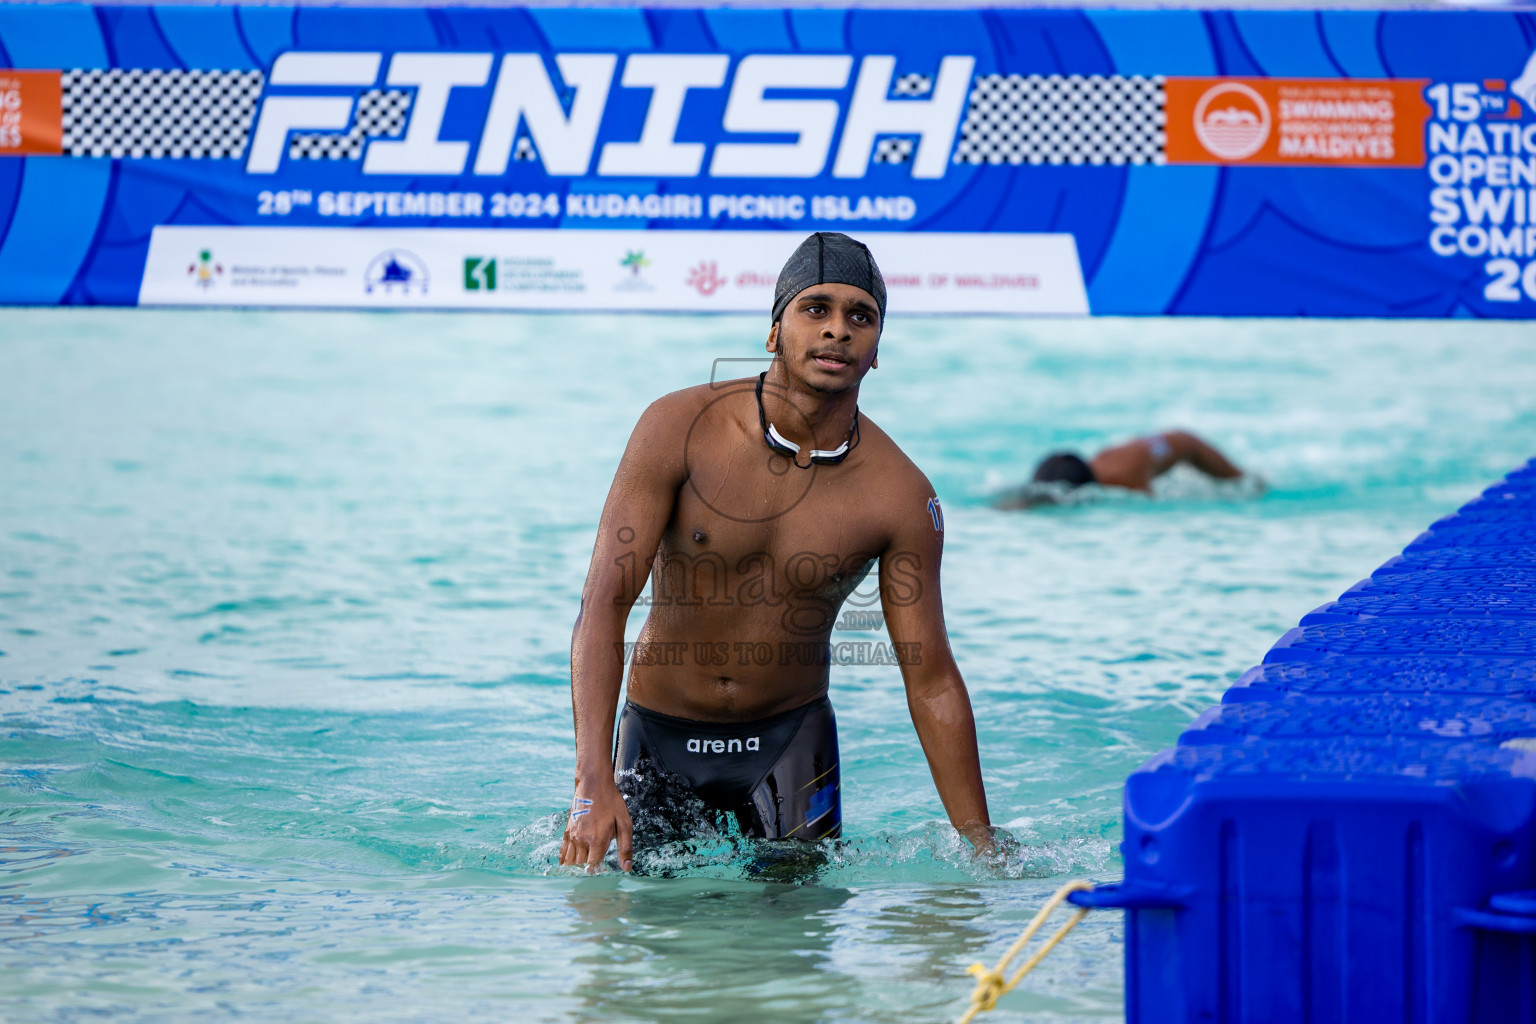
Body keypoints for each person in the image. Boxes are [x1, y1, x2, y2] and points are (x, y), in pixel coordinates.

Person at [560, 231, 991, 872]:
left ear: (877, 352)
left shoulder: (901, 496)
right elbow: (603, 604)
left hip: (791, 744)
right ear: (773, 331)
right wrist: (592, 783)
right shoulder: (676, 429)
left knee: (791, 961)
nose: (838, 331)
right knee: (644, 946)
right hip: (658, 731)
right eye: (816, 309)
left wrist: (980, 845)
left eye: (860, 316)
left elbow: (929, 678)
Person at [995, 431, 1249, 509]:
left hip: (1190, 447)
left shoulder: (1126, 481)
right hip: (1150, 449)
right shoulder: (1088, 469)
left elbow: (1156, 504)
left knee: (1245, 485)